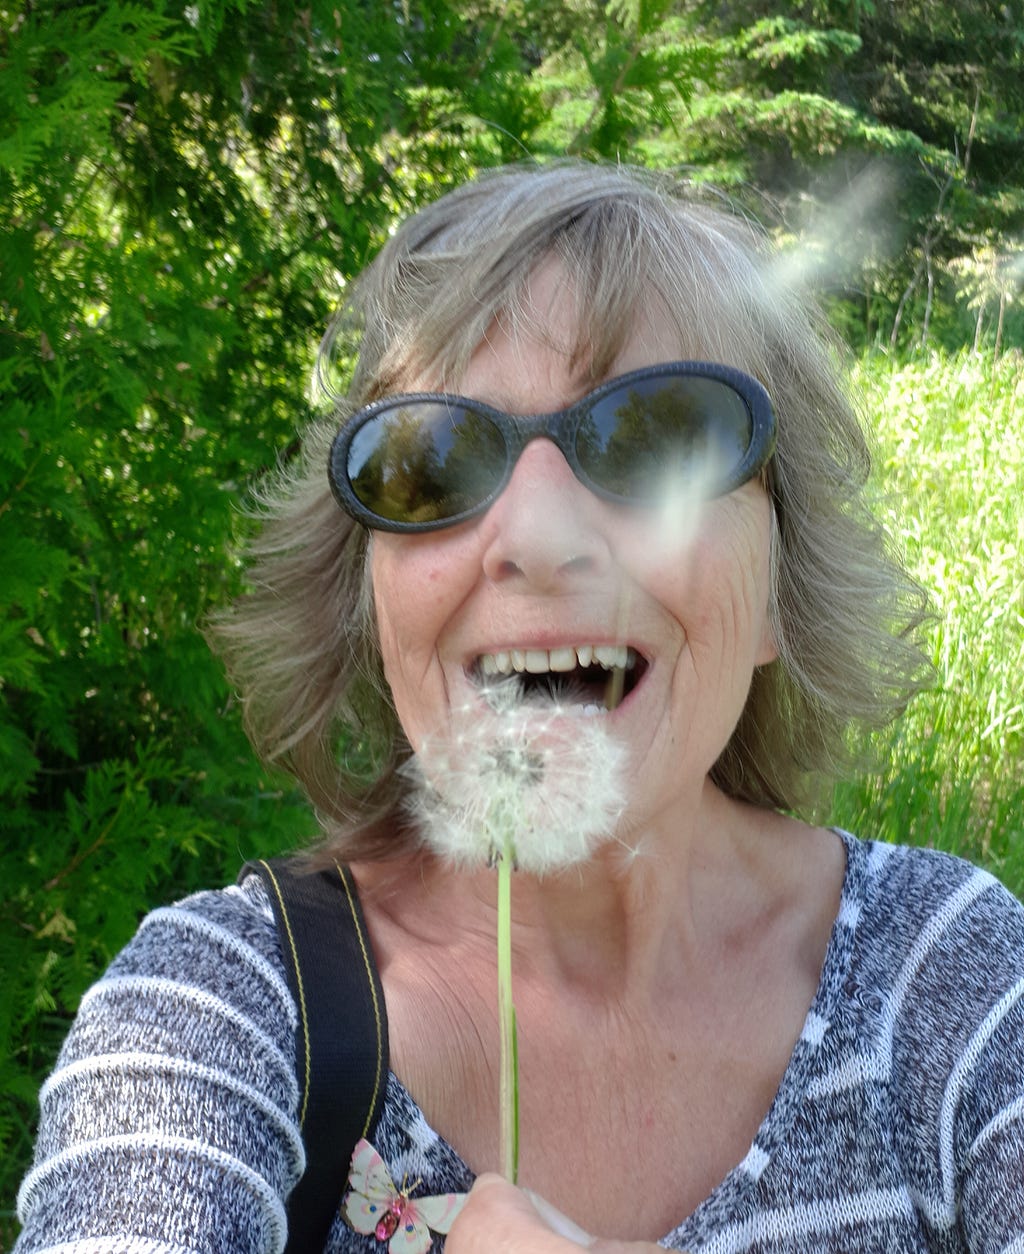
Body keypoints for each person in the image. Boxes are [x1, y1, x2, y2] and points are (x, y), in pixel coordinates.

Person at [14, 162, 1024, 1254]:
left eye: (657, 438)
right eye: (430, 462)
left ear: (779, 587)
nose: (537, 540)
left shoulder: (950, 986)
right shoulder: (219, 1014)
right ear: (368, 600)